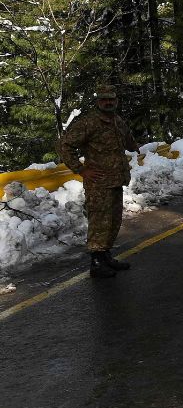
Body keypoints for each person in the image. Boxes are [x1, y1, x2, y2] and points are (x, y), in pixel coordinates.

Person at [57, 84, 139, 278]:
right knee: (99, 222)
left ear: (116, 101)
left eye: (111, 99)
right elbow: (65, 145)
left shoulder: (117, 120)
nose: (108, 102)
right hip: (98, 183)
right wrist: (81, 169)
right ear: (97, 102)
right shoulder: (89, 123)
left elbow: (127, 138)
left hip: (116, 179)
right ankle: (96, 262)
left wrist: (134, 145)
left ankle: (105, 256)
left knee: (113, 220)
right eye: (104, 99)